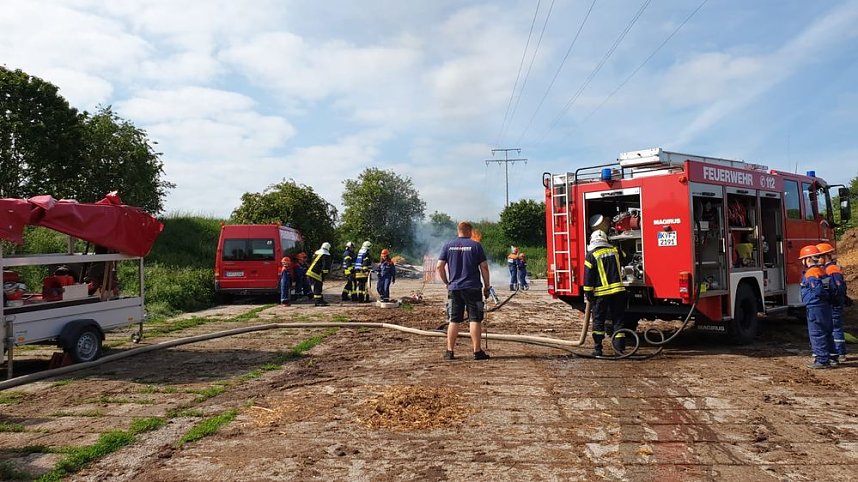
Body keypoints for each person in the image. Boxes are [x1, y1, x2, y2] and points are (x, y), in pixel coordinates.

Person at [437, 221, 491, 361]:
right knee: (475, 319)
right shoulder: (476, 245)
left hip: (455, 288)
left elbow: (439, 267)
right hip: (473, 287)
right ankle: (477, 352)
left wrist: (447, 282)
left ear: (458, 230)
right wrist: (487, 286)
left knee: (453, 320)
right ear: (469, 231)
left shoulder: (448, 246)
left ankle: (450, 351)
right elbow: (484, 267)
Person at [583, 230, 628, 356]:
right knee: (618, 320)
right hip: (618, 292)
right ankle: (619, 349)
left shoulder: (591, 255)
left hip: (600, 295)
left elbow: (588, 277)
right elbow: (625, 258)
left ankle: (598, 349)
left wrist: (588, 293)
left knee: (598, 321)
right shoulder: (615, 251)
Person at [799, 245, 836, 368]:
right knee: (827, 331)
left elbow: (818, 290)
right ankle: (832, 356)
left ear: (808, 259)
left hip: (815, 306)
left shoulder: (811, 273)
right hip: (824, 306)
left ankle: (822, 360)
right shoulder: (822, 271)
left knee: (817, 333)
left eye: (803, 259)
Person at [817, 242, 848, 363]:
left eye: (818, 257)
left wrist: (835, 300)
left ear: (826, 256)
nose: (817, 260)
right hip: (833, 302)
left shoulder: (831, 270)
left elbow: (838, 288)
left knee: (836, 328)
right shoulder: (827, 269)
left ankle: (840, 353)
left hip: (834, 303)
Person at [306, 242, 332, 306]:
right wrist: (324, 275)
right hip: (316, 273)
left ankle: (320, 299)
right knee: (318, 287)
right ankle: (318, 301)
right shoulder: (326, 255)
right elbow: (326, 266)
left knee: (318, 286)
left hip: (311, 271)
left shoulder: (317, 253)